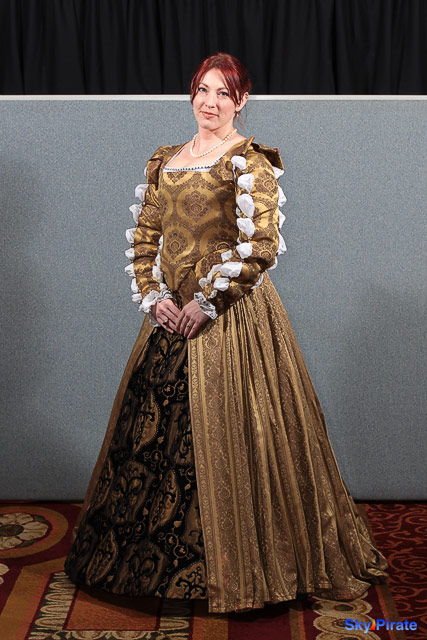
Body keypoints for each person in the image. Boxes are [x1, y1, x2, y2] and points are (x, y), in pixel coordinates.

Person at [64, 52, 389, 615]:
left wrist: (207, 303)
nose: (209, 102)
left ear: (241, 101)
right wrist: (156, 298)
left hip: (231, 320)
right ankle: (148, 570)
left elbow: (259, 244)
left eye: (222, 93)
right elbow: (146, 237)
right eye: (202, 90)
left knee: (238, 436)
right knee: (154, 441)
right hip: (171, 319)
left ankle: (243, 568)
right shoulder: (165, 160)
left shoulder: (248, 161)